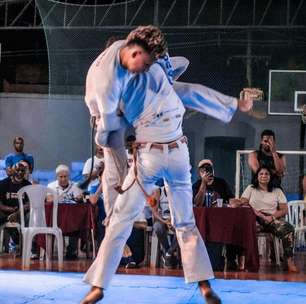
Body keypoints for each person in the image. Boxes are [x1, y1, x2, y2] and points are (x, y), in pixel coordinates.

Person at [81, 25, 255, 304]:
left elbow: (188, 90)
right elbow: (107, 134)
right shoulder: (110, 85)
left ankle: (201, 285)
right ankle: (99, 286)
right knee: (130, 220)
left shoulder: (150, 73)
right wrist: (233, 105)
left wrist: (233, 105)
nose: (158, 65)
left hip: (170, 155)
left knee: (174, 221)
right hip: (151, 156)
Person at [229, 166, 299, 273]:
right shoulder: (251, 188)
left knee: (288, 229)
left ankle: (289, 261)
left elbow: (284, 210)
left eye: (266, 174)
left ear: (270, 177)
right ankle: (243, 261)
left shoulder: (277, 191)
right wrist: (236, 202)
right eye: (261, 174)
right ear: (257, 177)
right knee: (242, 228)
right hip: (254, 217)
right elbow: (243, 202)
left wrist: (272, 217)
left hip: (271, 218)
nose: (264, 176)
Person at [47, 164, 84, 260]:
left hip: (71, 218)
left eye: (65, 176)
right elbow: (49, 199)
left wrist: (79, 198)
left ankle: (71, 251)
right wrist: (59, 197)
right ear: (57, 177)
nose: (63, 179)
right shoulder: (51, 186)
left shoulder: (75, 186)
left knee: (76, 223)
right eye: (61, 177)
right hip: (55, 217)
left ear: (69, 176)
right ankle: (49, 253)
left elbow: (79, 200)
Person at [0, 162, 32, 252]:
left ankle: (28, 248)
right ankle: (12, 242)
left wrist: (17, 213)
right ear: (13, 171)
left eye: (22, 171)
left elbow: (29, 204)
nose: (20, 173)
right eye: (18, 170)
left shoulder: (28, 185)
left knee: (30, 216)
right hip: (5, 212)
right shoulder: (3, 184)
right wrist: (10, 209)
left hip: (21, 213)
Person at [152, 183, 179, 269]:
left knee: (182, 230)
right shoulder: (158, 191)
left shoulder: (178, 191)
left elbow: (181, 210)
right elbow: (155, 212)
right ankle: (168, 252)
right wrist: (164, 221)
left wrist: (173, 220)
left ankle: (168, 253)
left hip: (175, 220)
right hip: (162, 219)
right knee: (157, 227)